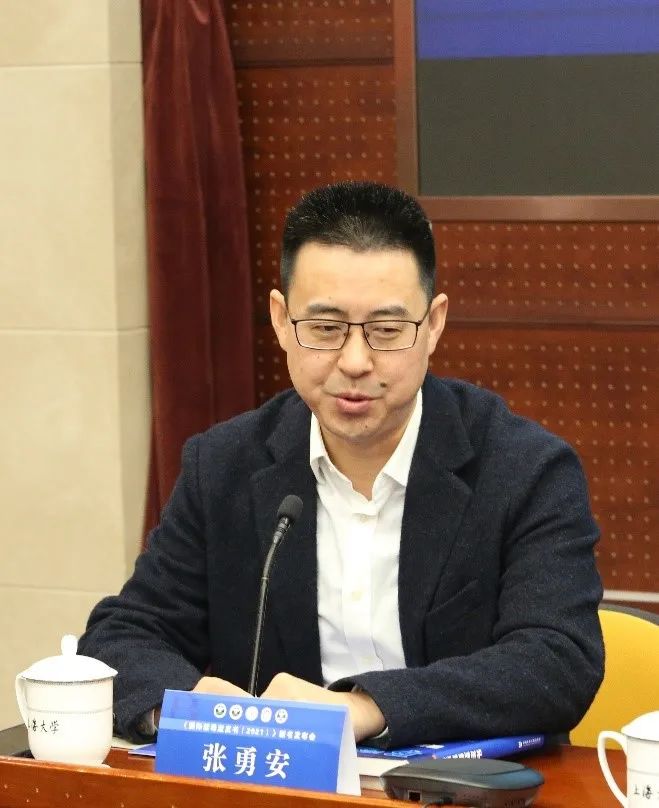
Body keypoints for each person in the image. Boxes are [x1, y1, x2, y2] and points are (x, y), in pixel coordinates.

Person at [79, 181, 604, 747]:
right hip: (280, 781)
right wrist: (191, 705)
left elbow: (557, 660)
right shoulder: (224, 466)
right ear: (281, 321)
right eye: (325, 329)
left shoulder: (525, 469)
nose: (355, 362)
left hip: (457, 782)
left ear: (433, 325)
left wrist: (365, 708)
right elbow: (122, 636)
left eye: (387, 331)